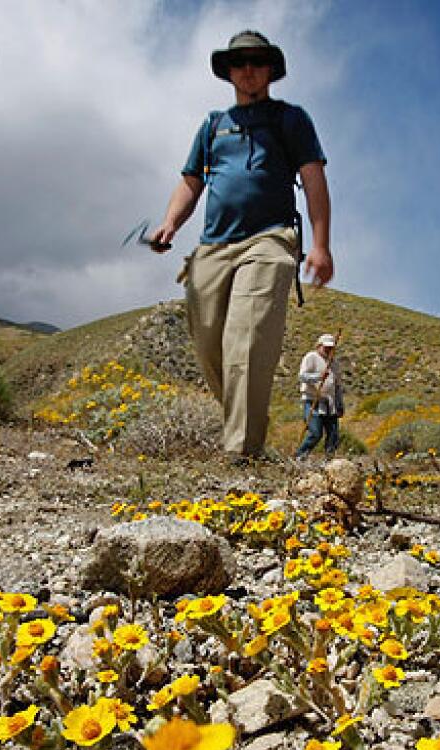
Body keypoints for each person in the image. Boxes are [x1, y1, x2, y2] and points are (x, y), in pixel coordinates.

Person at [151, 30, 334, 460]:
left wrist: (321, 244)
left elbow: (313, 180)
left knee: (247, 338)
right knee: (210, 343)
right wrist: (170, 223)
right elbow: (191, 181)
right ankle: (248, 426)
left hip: (269, 239)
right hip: (214, 246)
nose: (248, 69)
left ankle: (241, 453)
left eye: (256, 61)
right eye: (239, 62)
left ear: (270, 68)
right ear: (228, 71)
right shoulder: (214, 125)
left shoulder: (290, 119)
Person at [295, 333, 343, 459]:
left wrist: (340, 404)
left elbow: (337, 386)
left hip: (330, 403)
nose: (328, 350)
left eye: (331, 348)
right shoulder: (311, 357)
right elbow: (302, 377)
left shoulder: (334, 363)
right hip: (312, 401)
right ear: (319, 346)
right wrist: (318, 377)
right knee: (315, 433)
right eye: (326, 347)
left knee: (333, 435)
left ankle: (329, 459)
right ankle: (300, 457)